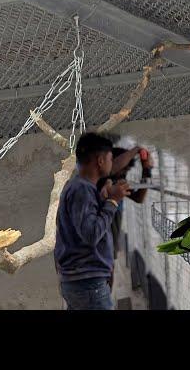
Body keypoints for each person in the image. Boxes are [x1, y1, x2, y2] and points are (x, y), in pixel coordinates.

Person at [54, 133, 130, 310]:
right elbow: (91, 234)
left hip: (82, 283)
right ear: (101, 160)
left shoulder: (82, 188)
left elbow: (84, 227)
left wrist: (103, 200)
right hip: (87, 285)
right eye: (111, 158)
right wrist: (113, 201)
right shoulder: (81, 189)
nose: (112, 164)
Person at [97, 146, 153, 290]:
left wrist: (147, 170)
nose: (123, 174)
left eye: (126, 171)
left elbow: (139, 198)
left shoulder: (119, 181)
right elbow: (113, 169)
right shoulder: (101, 179)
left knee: (109, 269)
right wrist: (136, 149)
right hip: (98, 235)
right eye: (123, 170)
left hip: (111, 233)